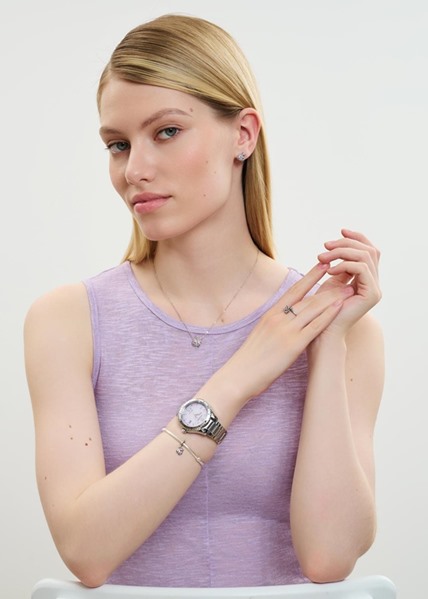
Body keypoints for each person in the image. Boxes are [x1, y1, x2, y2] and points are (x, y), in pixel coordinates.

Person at [24, 13, 384, 590]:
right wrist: (235, 380)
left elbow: (329, 558)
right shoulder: (67, 321)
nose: (134, 170)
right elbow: (86, 551)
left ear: (243, 135)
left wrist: (329, 345)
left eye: (166, 131)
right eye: (118, 145)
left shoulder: (342, 327)